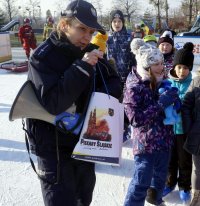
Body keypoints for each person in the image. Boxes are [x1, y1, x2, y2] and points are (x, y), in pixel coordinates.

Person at [25, 1, 122, 206]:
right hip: (53, 148)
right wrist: (82, 67)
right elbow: (53, 103)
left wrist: (107, 97)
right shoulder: (42, 57)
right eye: (82, 29)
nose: (87, 37)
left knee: (83, 198)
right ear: (64, 25)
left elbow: (113, 85)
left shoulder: (89, 49)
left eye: (91, 31)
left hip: (85, 143)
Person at [123, 38, 180, 206]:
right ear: (146, 66)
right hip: (145, 145)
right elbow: (135, 119)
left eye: (161, 63)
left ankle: (156, 199)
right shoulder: (134, 87)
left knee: (160, 179)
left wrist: (175, 101)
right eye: (156, 64)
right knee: (141, 183)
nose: (161, 67)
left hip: (164, 140)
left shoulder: (163, 82)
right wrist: (161, 103)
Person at [162, 42, 194, 202]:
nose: (182, 71)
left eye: (186, 68)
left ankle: (185, 186)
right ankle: (169, 182)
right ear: (174, 66)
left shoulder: (193, 84)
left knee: (184, 160)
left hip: (184, 130)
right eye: (179, 67)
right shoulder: (167, 82)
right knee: (169, 158)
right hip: (168, 129)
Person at [106, 9, 136, 142]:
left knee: (125, 105)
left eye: (119, 21)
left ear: (123, 23)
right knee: (113, 104)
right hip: (111, 78)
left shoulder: (129, 37)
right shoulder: (107, 38)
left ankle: (125, 129)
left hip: (126, 78)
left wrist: (134, 75)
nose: (117, 24)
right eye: (114, 21)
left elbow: (134, 58)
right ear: (111, 23)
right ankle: (112, 129)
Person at [182, 75, 200, 206]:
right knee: (198, 169)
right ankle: (197, 195)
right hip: (198, 134)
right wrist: (190, 127)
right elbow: (186, 105)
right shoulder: (197, 81)